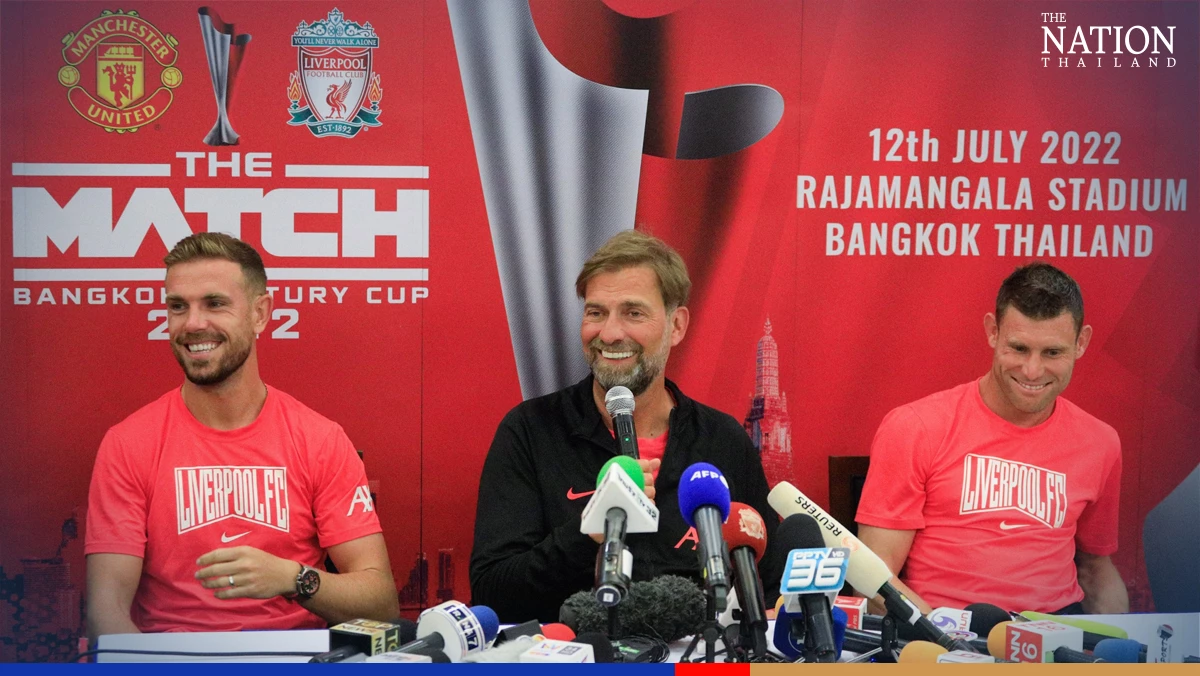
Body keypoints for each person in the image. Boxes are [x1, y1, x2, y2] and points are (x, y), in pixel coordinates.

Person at [85, 233, 399, 639]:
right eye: (178, 306)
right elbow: (106, 610)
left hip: (296, 658)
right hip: (172, 660)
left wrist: (293, 578)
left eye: (215, 303)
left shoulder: (320, 440)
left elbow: (381, 603)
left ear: (260, 314)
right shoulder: (129, 443)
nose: (193, 323)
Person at [470, 230, 783, 623]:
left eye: (633, 313)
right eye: (596, 313)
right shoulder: (531, 431)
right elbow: (492, 593)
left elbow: (771, 588)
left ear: (677, 325)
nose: (609, 333)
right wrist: (589, 532)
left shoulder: (722, 440)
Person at [856, 262, 1127, 615]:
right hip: (944, 630)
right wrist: (940, 634)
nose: (1032, 371)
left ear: (1081, 343)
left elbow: (1096, 570)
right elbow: (875, 579)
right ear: (993, 332)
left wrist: (1123, 640)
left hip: (1057, 633)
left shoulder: (1101, 443)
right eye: (1019, 348)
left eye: (1052, 353)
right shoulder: (914, 427)